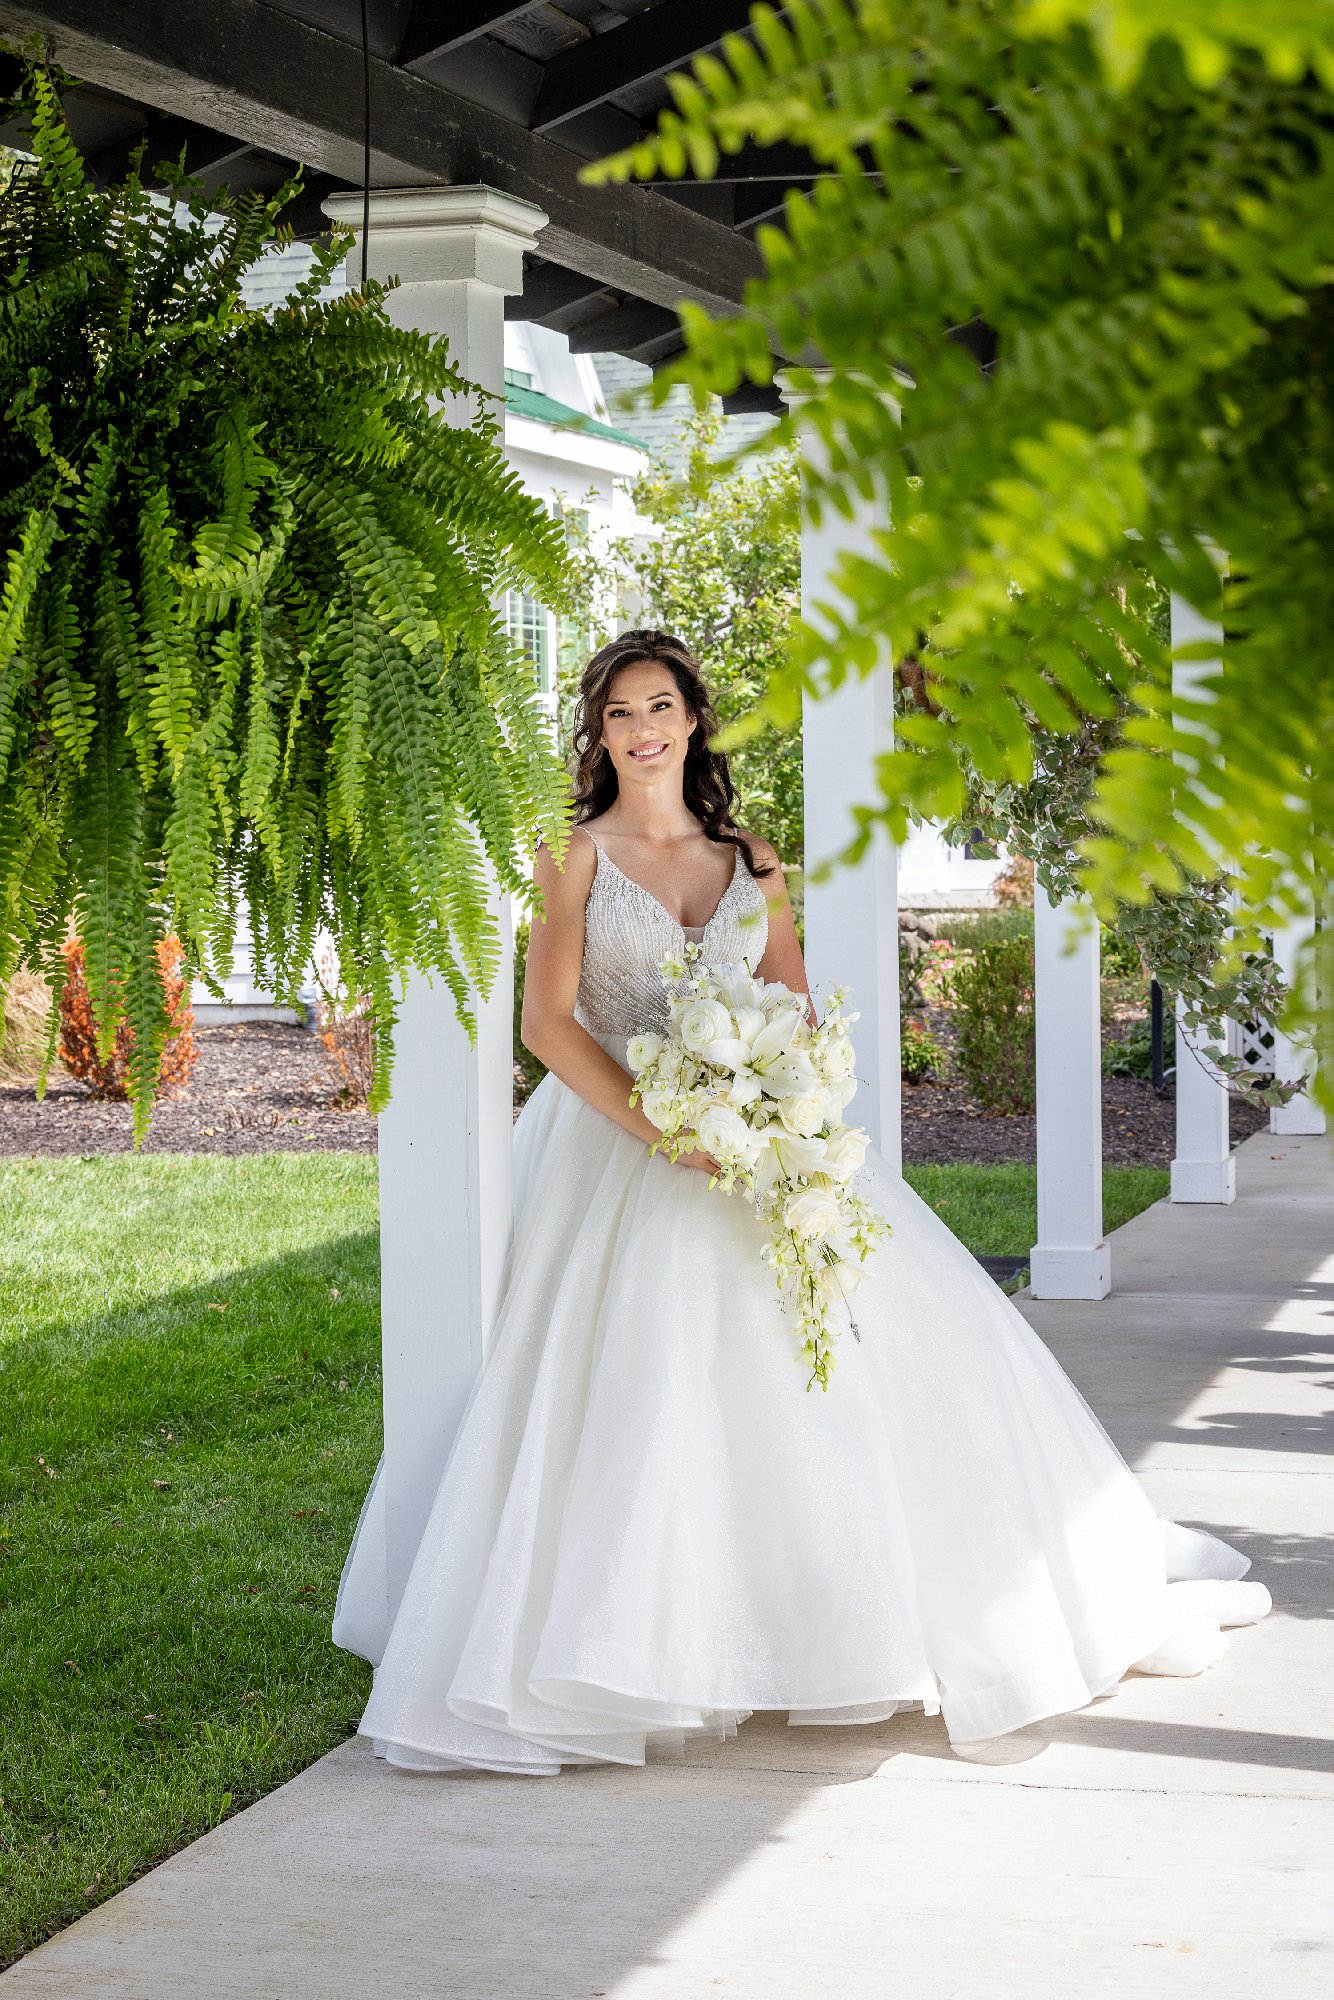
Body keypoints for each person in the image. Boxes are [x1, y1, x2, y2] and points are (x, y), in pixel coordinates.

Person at [332, 629, 1268, 1774]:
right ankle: (646, 1643)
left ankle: (840, 1624)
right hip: (625, 1140)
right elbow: (545, 1027)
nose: (641, 730)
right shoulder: (571, 856)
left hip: (765, 1135)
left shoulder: (751, 856)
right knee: (654, 1384)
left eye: (660, 706)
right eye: (620, 712)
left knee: (848, 1362)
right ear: (598, 731)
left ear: (691, 719)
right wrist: (664, 1128)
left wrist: (790, 1095)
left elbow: (794, 1000)